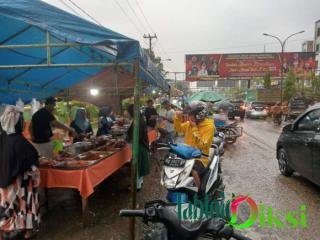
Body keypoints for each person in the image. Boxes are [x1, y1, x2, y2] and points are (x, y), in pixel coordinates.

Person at [0, 106, 40, 240]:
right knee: (25, 205)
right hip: (20, 183)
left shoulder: (3, 138)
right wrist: (35, 171)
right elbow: (31, 159)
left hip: (3, 182)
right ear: (17, 122)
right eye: (21, 120)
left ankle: (2, 231)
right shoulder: (19, 140)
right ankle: (28, 231)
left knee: (6, 208)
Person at [174, 101, 215, 189]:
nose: (188, 117)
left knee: (193, 170)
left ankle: (200, 192)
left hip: (201, 157)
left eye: (190, 115)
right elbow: (179, 128)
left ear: (199, 115)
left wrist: (194, 128)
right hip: (187, 154)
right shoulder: (190, 123)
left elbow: (202, 146)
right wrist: (177, 117)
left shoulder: (209, 127)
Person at [126, 104, 150, 190]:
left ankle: (136, 186)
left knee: (137, 166)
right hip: (141, 145)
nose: (127, 114)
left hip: (139, 146)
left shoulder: (137, 121)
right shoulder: (139, 119)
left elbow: (136, 136)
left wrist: (128, 139)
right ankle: (139, 182)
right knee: (140, 165)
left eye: (128, 112)